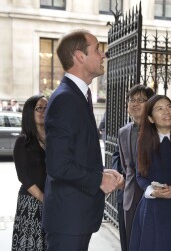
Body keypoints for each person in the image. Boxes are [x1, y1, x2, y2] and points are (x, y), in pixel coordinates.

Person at [42, 29, 124, 251]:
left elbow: (75, 154)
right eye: (97, 49)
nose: (103, 55)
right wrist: (98, 179)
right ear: (80, 56)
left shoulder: (76, 95)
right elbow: (58, 165)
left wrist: (103, 174)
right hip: (69, 219)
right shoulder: (65, 99)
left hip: (76, 217)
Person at [130, 95, 171, 251]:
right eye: (160, 109)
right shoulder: (143, 141)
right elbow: (140, 176)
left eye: (169, 106)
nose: (167, 111)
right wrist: (153, 191)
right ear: (151, 118)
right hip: (151, 211)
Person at [114, 84, 154, 250]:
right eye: (132, 100)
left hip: (153, 195)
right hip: (130, 196)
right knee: (130, 243)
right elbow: (123, 163)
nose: (136, 104)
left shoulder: (158, 130)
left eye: (141, 100)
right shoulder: (123, 132)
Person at [11, 94, 48, 251]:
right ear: (29, 112)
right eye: (39, 108)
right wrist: (45, 200)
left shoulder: (55, 139)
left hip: (53, 201)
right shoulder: (23, 141)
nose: (43, 112)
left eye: (47, 108)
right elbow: (24, 177)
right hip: (31, 203)